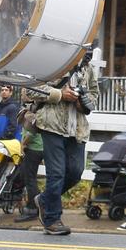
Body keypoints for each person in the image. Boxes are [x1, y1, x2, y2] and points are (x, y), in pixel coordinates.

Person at [33, 51, 100, 235]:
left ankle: (45, 200)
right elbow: (30, 90)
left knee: (76, 172)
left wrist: (84, 102)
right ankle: (52, 219)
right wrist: (60, 94)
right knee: (56, 174)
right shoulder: (52, 59)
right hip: (52, 126)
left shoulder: (87, 67)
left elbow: (95, 93)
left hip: (77, 129)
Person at [13, 102, 43, 223]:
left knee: (29, 178)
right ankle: (37, 204)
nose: (23, 92)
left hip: (34, 148)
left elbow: (31, 132)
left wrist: (23, 144)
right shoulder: (31, 108)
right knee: (28, 177)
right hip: (37, 148)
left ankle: (32, 208)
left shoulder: (33, 109)